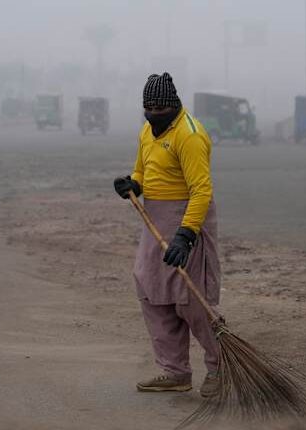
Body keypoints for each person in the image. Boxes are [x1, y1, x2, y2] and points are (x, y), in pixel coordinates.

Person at [113, 72, 221, 397]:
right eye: (148, 107)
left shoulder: (190, 135)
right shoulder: (147, 130)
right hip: (155, 220)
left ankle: (219, 367)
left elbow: (201, 190)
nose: (153, 112)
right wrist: (133, 185)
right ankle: (175, 372)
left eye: (160, 107)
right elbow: (142, 171)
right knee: (151, 289)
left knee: (190, 299)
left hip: (187, 216)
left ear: (174, 105)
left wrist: (186, 236)